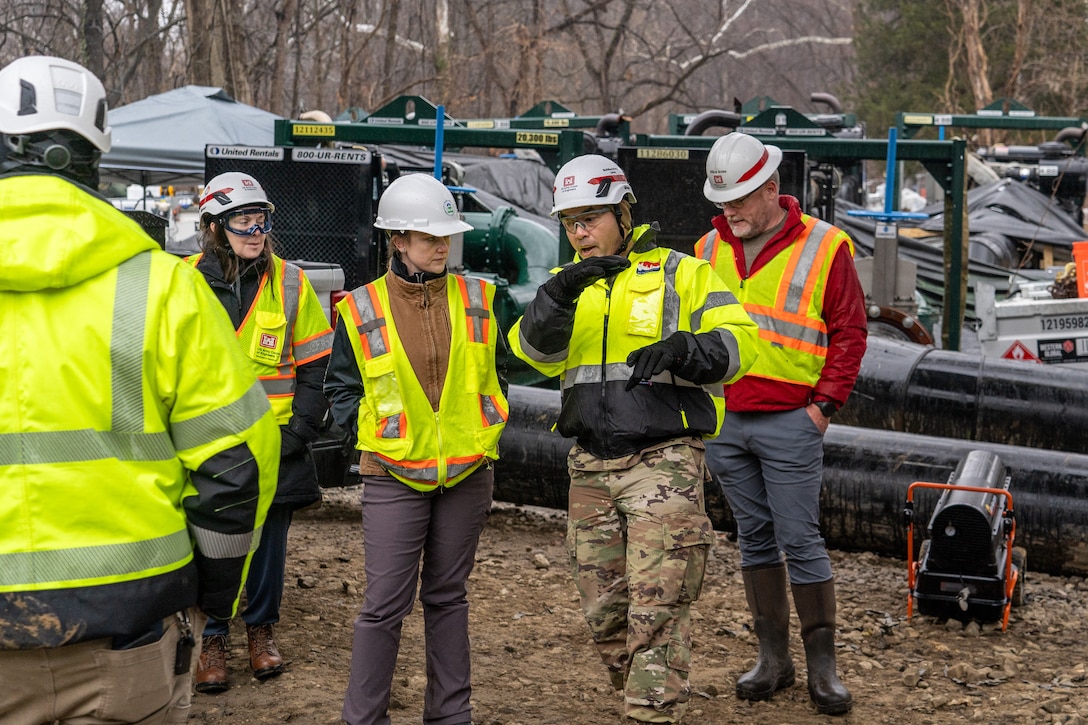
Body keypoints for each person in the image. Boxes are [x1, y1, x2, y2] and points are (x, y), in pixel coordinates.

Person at [0, 55, 279, 723]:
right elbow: (236, 466)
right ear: (94, 157)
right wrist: (212, 597)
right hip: (128, 642)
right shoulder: (164, 288)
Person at [508, 154, 760, 724]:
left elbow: (744, 348)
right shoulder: (565, 285)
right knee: (606, 616)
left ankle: (652, 711)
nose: (579, 233)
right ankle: (646, 695)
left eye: (590, 218)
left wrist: (684, 350)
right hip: (589, 467)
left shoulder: (683, 272)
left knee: (659, 607)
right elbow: (529, 356)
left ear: (624, 212)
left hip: (663, 460)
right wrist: (555, 299)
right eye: (569, 222)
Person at [324, 172, 509, 725]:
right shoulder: (360, 309)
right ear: (397, 240)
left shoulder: (478, 297)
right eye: (429, 238)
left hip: (467, 472)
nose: (442, 247)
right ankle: (364, 718)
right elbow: (341, 390)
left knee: (448, 598)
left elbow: (499, 371)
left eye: (446, 237)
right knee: (383, 608)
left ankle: (452, 717)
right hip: (391, 474)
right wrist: (374, 436)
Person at [695, 132, 868, 715]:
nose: (731, 211)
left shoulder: (826, 246)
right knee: (755, 540)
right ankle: (774, 662)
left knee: (801, 539)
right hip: (725, 421)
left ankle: (825, 671)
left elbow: (849, 331)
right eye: (723, 202)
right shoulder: (706, 249)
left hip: (793, 420)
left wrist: (824, 407)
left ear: (772, 187)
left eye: (741, 198)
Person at [188, 171, 334, 692]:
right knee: (210, 544)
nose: (255, 229)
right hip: (207, 444)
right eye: (241, 220)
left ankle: (261, 631)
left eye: (261, 219)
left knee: (269, 545)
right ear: (212, 226)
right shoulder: (182, 281)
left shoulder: (291, 282)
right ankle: (212, 637)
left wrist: (299, 431)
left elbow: (317, 365)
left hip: (278, 444)